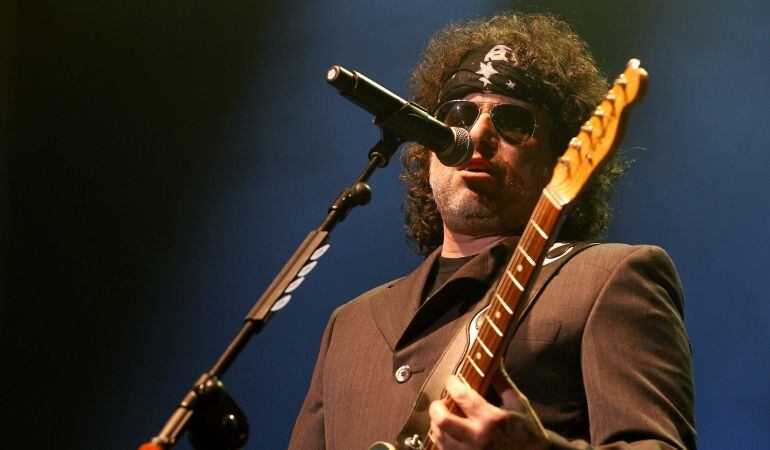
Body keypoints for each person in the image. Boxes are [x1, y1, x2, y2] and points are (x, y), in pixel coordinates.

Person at [289, 12, 696, 450]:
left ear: (558, 157)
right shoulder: (349, 325)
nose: (478, 133)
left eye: (513, 122)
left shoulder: (611, 278)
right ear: (425, 152)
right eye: (459, 114)